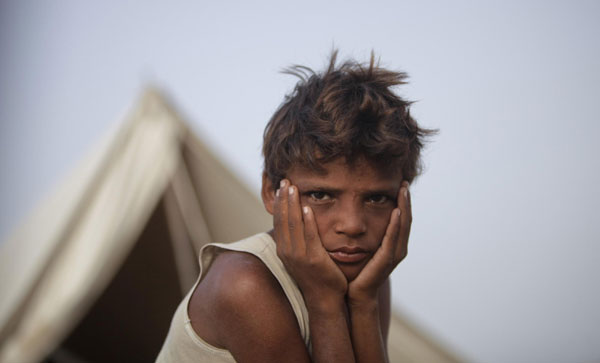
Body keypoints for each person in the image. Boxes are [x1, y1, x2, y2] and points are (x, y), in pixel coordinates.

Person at [156, 50, 435, 363]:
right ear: (270, 192)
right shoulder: (243, 285)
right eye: (320, 195)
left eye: (377, 198)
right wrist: (325, 301)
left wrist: (366, 302)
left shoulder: (366, 276)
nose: (353, 224)